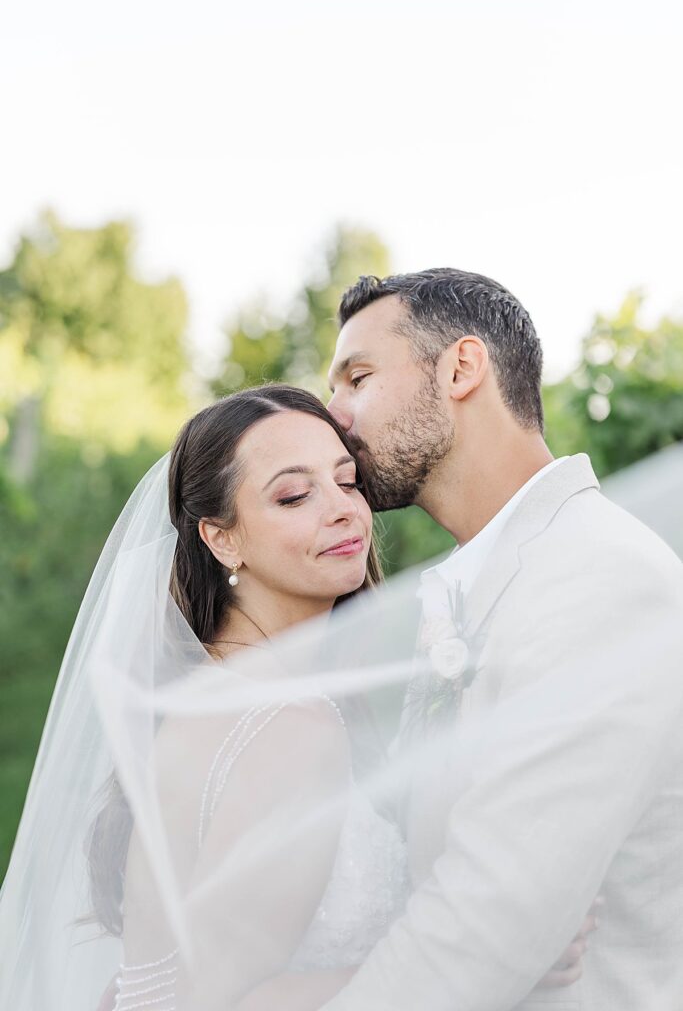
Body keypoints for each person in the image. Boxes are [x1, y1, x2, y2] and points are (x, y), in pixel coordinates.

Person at [0, 384, 586, 1011]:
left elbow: (145, 986)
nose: (341, 510)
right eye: (294, 495)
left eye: (347, 481)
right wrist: (485, 953)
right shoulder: (287, 726)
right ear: (221, 538)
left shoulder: (211, 695)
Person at [322, 268, 683, 1010]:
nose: (334, 416)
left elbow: (481, 927)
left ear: (460, 368)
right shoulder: (472, 584)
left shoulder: (601, 578)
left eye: (356, 377)